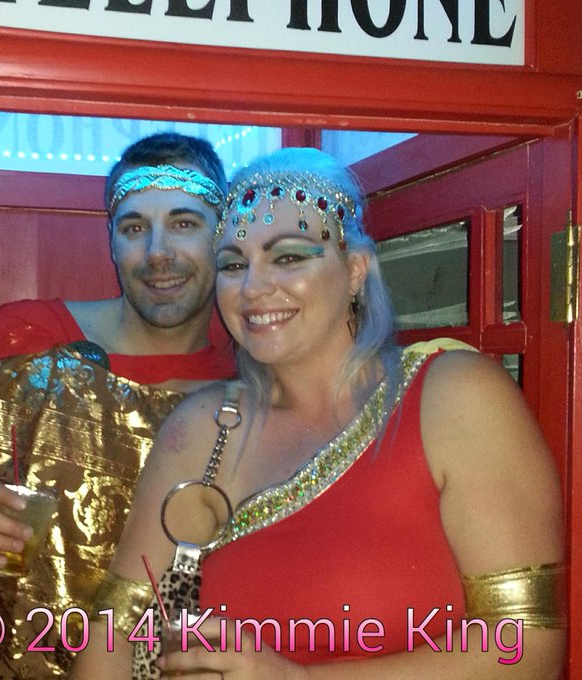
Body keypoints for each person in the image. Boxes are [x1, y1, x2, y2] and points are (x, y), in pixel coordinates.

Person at [72, 147, 566, 679]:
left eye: (288, 258)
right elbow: (115, 635)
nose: (253, 288)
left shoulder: (454, 397)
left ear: (355, 270)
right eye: (234, 264)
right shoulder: (203, 428)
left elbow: (527, 645)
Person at [0, 132, 236, 678]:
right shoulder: (26, 342)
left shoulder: (250, 383)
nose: (158, 252)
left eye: (184, 223)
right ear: (112, 241)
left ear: (224, 235)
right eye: (134, 228)